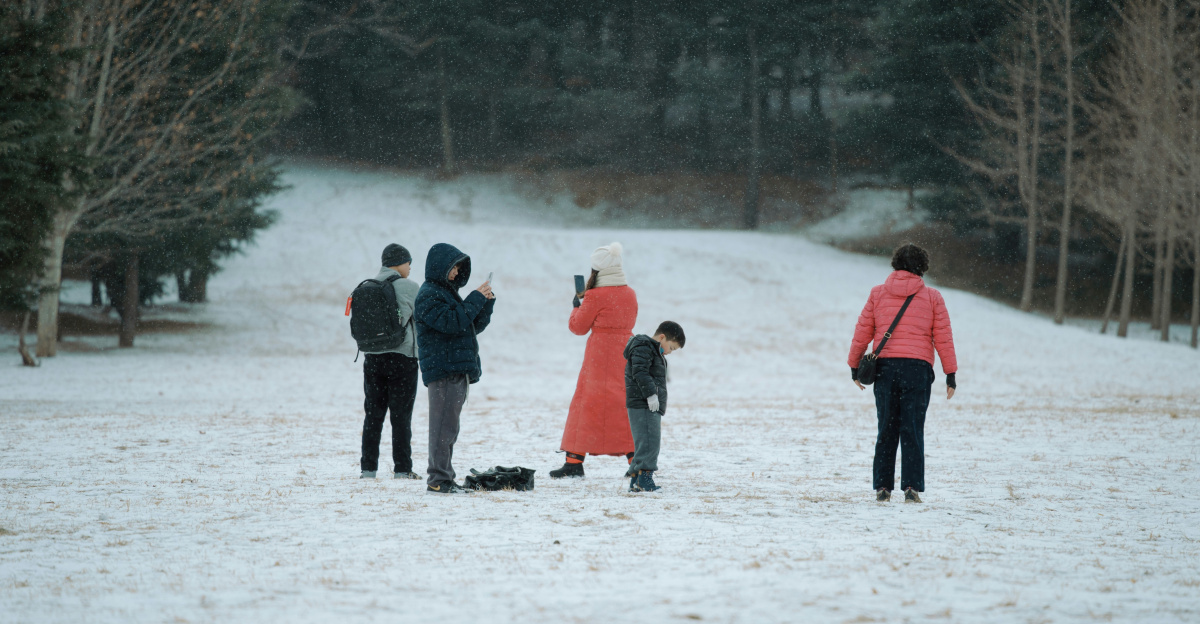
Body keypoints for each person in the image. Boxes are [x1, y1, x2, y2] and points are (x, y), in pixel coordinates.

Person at [848, 244, 957, 504]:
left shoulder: (877, 294)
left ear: (895, 264)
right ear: (922, 267)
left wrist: (854, 365)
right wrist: (950, 373)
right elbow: (943, 337)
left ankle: (883, 488)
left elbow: (863, 331)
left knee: (886, 428)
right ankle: (911, 488)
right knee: (912, 428)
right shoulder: (933, 297)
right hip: (917, 370)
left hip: (885, 369)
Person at [550, 242, 639, 479]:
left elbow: (578, 327)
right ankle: (637, 461)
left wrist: (576, 308)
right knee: (624, 404)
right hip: (625, 351)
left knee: (585, 403)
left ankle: (573, 462)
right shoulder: (630, 293)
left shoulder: (595, 295)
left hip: (599, 353)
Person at [414, 243, 496, 494]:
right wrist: (474, 298)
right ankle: (439, 480)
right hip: (444, 369)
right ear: (440, 267)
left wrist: (485, 303)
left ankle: (444, 477)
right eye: (453, 267)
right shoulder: (429, 294)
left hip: (454, 368)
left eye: (459, 267)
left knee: (449, 427)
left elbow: (469, 326)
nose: (456, 271)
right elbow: (452, 322)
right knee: (442, 427)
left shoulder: (446, 293)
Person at [360, 244, 421, 479]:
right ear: (398, 263)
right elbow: (422, 317)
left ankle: (368, 469)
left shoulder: (368, 286)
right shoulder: (409, 287)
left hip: (372, 359)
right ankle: (403, 469)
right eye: (408, 262)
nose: (410, 267)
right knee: (401, 416)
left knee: (373, 415)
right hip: (402, 359)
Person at [624, 321, 685, 493]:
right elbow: (640, 372)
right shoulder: (644, 347)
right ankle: (644, 479)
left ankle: (636, 480)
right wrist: (651, 395)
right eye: (671, 347)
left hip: (645, 403)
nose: (670, 352)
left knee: (644, 442)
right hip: (644, 403)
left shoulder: (650, 350)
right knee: (650, 442)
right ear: (662, 337)